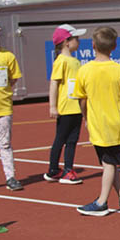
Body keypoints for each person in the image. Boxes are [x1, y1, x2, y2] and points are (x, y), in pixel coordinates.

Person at [72, 26, 120, 216]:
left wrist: (85, 117)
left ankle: (102, 202)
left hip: (97, 122)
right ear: (115, 46)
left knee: (108, 162)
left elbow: (82, 100)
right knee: (109, 161)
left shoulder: (84, 71)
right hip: (116, 121)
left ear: (93, 45)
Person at [43, 23, 87, 184]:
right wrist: (52, 106)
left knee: (72, 140)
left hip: (76, 107)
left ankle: (68, 168)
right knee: (60, 139)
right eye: (76, 38)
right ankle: (54, 169)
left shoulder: (75, 61)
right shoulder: (61, 61)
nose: (79, 41)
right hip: (65, 108)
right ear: (66, 42)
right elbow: (54, 83)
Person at [0, 15, 23, 191]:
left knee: (5, 144)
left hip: (3, 108)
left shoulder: (7, 56)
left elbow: (14, 78)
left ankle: (10, 177)